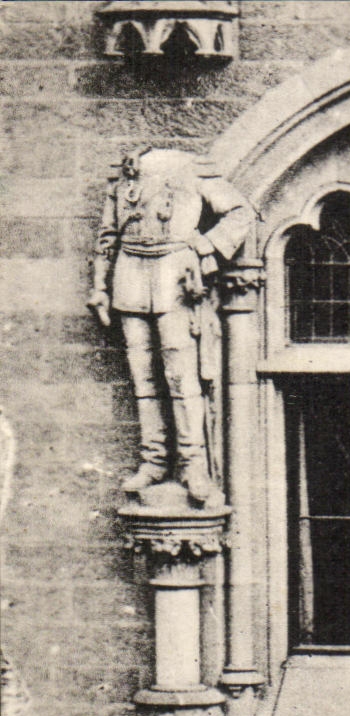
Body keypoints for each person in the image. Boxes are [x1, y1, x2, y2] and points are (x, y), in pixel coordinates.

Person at [89, 147, 253, 507]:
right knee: (144, 379)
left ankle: (193, 464)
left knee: (181, 377)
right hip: (130, 273)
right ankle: (154, 460)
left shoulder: (188, 168)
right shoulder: (122, 181)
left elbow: (241, 213)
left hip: (175, 272)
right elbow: (108, 236)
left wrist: (207, 244)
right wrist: (100, 286)